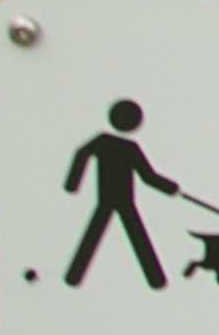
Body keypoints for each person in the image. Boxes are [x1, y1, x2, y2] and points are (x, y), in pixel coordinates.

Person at [63, 99, 179, 291]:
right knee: (132, 235)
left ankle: (73, 277)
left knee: (113, 234)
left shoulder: (108, 142)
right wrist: (72, 185)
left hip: (115, 199)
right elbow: (148, 177)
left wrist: (171, 188)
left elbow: (147, 177)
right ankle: (156, 280)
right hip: (118, 199)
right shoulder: (126, 147)